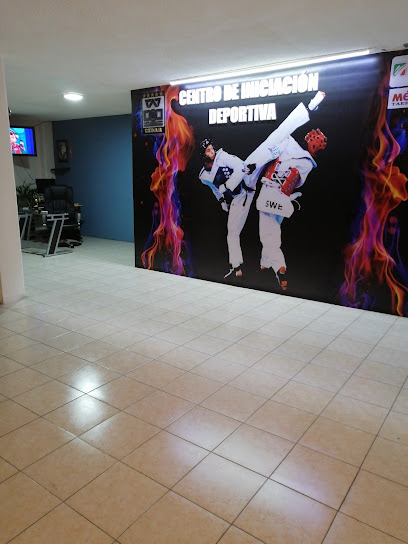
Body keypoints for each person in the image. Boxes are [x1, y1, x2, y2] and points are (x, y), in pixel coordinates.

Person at [213, 91, 327, 290]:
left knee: (267, 233)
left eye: (313, 136)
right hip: (283, 197)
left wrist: (252, 168)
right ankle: (265, 263)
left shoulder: (287, 143)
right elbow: (295, 183)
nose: (310, 134)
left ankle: (278, 265)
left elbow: (271, 149)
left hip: (266, 191)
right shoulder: (308, 164)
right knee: (273, 228)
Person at [199, 138, 255, 278]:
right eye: (208, 150)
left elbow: (241, 166)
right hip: (239, 197)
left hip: (248, 183)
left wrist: (226, 186)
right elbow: (215, 189)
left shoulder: (222, 157)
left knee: (260, 155)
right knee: (232, 233)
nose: (212, 151)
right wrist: (223, 202)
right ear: (203, 155)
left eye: (212, 148)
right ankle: (237, 267)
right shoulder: (204, 176)